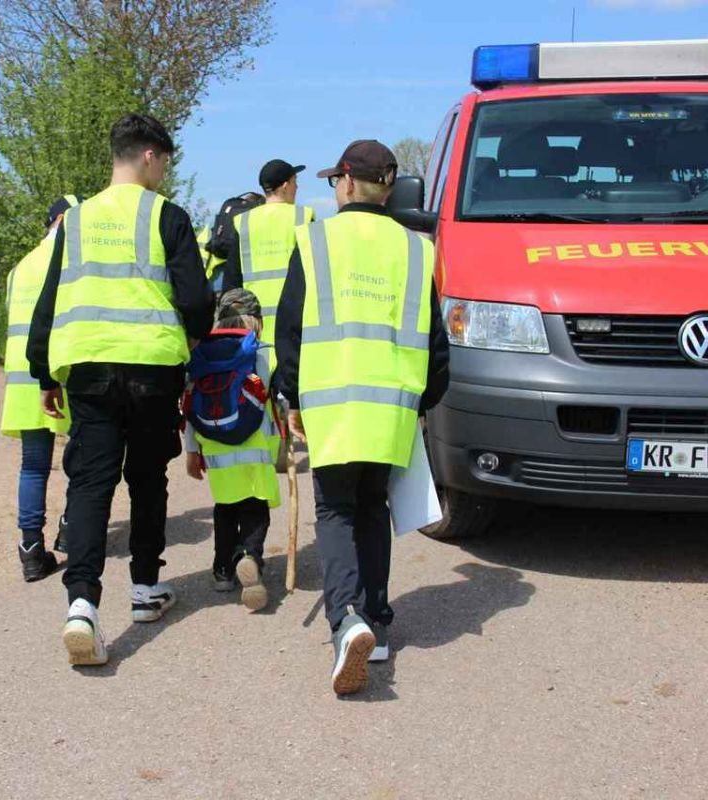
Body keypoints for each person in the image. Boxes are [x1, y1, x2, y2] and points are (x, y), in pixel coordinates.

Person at [27, 113, 214, 667]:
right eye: (166, 162)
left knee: (90, 483)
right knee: (148, 479)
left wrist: (44, 372)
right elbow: (196, 299)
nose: (165, 173)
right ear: (150, 155)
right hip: (153, 368)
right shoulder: (167, 216)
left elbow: (49, 299)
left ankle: (82, 605)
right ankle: (145, 589)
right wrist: (193, 337)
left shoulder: (76, 221)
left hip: (89, 368)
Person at [275, 140, 449, 696]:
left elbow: (290, 329)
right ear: (388, 189)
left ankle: (346, 618)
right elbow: (437, 343)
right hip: (391, 408)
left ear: (347, 182)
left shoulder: (315, 240)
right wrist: (422, 403)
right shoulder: (418, 249)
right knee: (373, 509)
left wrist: (291, 397)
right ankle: (376, 621)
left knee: (335, 511)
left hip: (331, 403)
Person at [183, 288, 282, 611]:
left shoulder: (202, 352)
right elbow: (279, 401)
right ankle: (249, 555)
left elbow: (189, 402)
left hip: (216, 450)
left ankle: (223, 570)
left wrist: (191, 451)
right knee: (255, 507)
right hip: (255, 449)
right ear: (257, 320)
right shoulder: (263, 353)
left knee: (225, 508)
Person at [0, 195, 79, 582]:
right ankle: (71, 527)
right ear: (64, 220)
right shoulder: (70, 261)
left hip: (21, 380)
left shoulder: (19, 268)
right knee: (84, 458)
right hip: (62, 377)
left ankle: (31, 550)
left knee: (33, 466)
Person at [222, 159, 315, 361]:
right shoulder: (303, 217)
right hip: (294, 329)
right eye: (295, 181)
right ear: (285, 185)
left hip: (253, 329)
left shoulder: (244, 222)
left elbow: (232, 281)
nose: (297, 187)